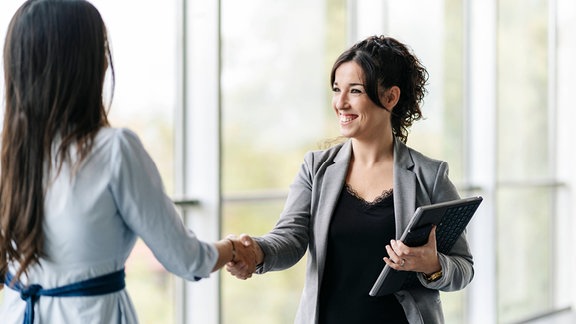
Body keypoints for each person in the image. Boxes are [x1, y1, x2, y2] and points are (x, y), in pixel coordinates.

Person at [0, 1, 253, 323]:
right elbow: (185, 258)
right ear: (90, 64)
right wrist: (232, 247)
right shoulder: (114, 150)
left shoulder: (8, 152)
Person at [226, 35, 474, 323]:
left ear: (390, 97)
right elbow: (290, 238)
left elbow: (463, 267)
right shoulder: (315, 169)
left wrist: (433, 265)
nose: (340, 103)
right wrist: (255, 253)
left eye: (354, 91)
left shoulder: (430, 176)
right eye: (336, 89)